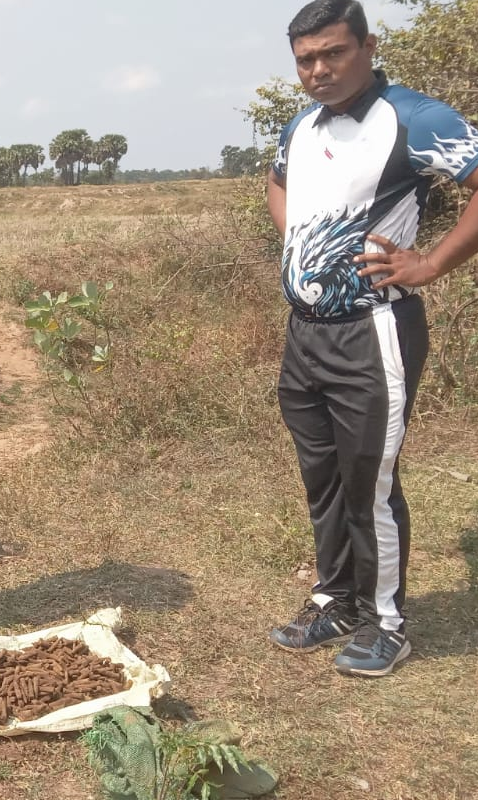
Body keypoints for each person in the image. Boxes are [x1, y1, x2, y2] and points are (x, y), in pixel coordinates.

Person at [266, 0, 478, 677]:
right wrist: (302, 250)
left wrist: (432, 263)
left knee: (369, 482)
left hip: (374, 331)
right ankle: (335, 601)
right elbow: (278, 184)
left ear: (368, 46)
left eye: (334, 53)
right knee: (324, 479)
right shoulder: (300, 125)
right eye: (306, 60)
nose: (319, 70)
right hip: (305, 336)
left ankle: (386, 623)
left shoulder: (414, 118)